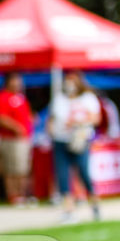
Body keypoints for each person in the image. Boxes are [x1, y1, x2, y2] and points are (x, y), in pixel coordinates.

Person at [49, 70, 102, 222]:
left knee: (83, 173)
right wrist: (51, 130)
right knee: (63, 175)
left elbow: (96, 118)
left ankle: (94, 203)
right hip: (61, 139)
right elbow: (53, 119)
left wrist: (78, 122)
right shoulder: (60, 99)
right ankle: (69, 209)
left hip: (79, 139)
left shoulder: (88, 98)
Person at [0, 72, 34, 206]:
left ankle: (23, 194)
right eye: (15, 80)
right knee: (11, 169)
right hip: (10, 139)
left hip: (24, 139)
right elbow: (0, 118)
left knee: (23, 169)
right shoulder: (3, 96)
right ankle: (13, 195)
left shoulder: (21, 97)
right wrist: (16, 127)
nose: (18, 83)